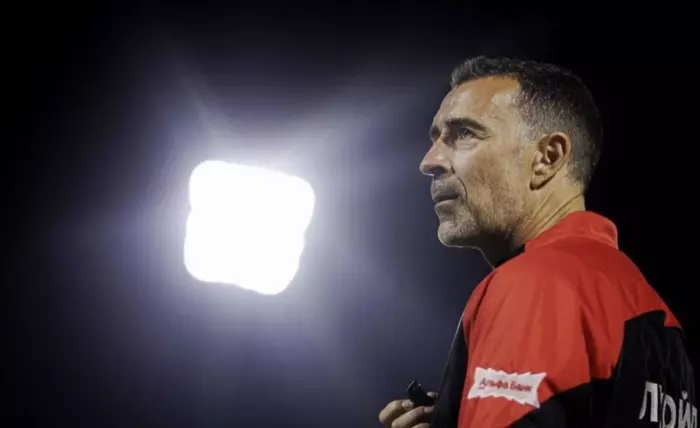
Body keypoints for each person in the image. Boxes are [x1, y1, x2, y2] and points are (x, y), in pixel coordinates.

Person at [379, 57, 696, 428]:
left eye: (463, 133)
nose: (429, 161)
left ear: (547, 157)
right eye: (435, 139)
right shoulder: (656, 317)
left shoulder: (534, 283)